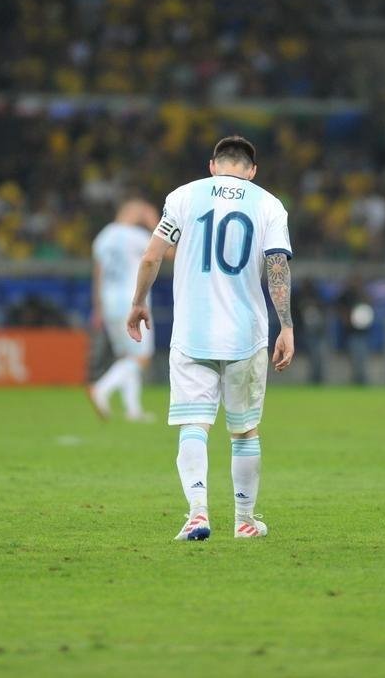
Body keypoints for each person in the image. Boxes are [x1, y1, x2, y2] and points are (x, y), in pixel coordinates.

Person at [127, 135, 294, 541]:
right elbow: (277, 266)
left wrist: (138, 302)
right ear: (252, 171)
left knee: (193, 425)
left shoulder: (183, 197)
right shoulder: (269, 204)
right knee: (244, 430)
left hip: (192, 332)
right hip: (246, 334)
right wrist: (286, 324)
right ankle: (244, 520)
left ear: (212, 165)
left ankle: (197, 515)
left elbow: (151, 255)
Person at [87, 199, 161, 423]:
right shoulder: (136, 236)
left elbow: (98, 275)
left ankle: (133, 410)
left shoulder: (103, 237)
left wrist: (98, 307)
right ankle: (101, 388)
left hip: (109, 301)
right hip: (132, 301)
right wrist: (154, 223)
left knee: (127, 356)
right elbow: (167, 252)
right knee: (142, 357)